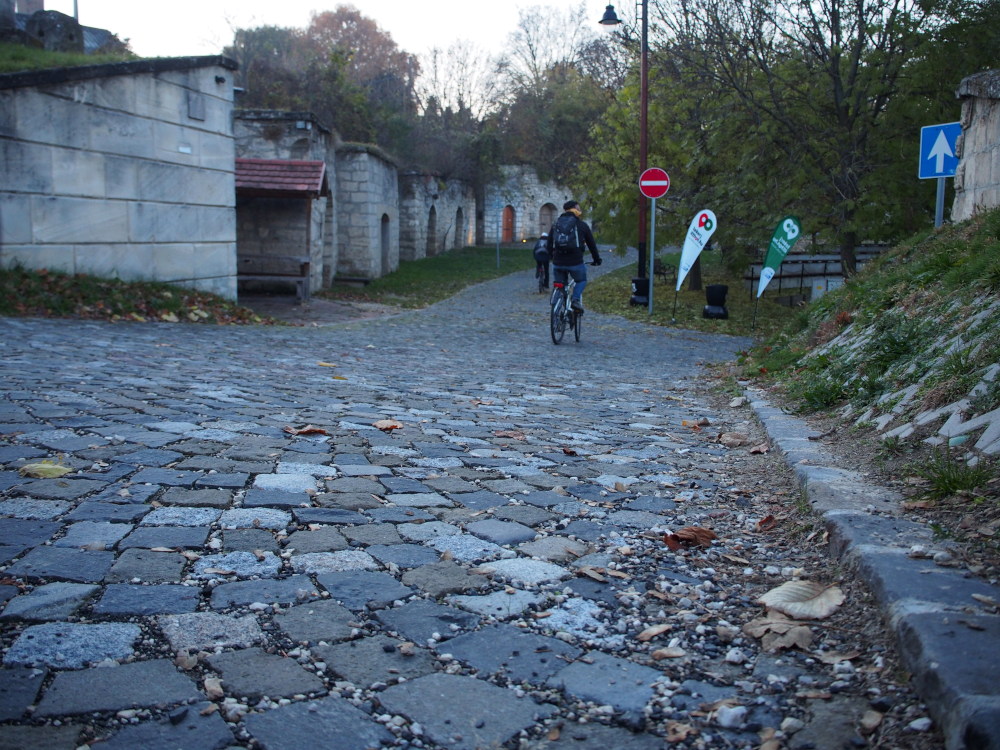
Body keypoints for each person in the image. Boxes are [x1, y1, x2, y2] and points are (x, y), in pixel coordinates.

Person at [546, 200, 602, 312]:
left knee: (560, 284)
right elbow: (592, 245)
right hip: (575, 262)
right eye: (578, 207)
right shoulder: (582, 225)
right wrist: (596, 259)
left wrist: (552, 258)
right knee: (581, 280)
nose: (580, 209)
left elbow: (549, 243)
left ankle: (556, 306)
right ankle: (575, 300)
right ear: (574, 209)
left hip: (558, 262)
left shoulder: (556, 224)